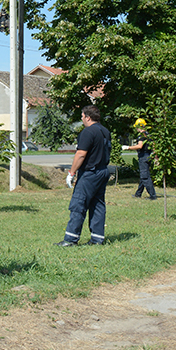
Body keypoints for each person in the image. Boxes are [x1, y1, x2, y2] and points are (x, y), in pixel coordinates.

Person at [57, 105, 112, 247]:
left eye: (82, 116)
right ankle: (97, 239)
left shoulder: (88, 132)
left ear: (88, 117)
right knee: (98, 204)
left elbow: (81, 154)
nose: (82, 119)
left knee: (78, 204)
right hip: (103, 171)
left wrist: (71, 172)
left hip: (90, 173)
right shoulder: (105, 131)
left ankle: (70, 240)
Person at [124, 118, 157, 200]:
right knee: (143, 176)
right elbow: (154, 146)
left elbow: (139, 146)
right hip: (149, 156)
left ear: (139, 126)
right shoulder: (149, 135)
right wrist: (156, 157)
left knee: (145, 176)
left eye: (136, 127)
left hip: (143, 156)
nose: (136, 128)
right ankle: (138, 194)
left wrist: (128, 147)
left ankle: (152, 195)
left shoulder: (141, 135)